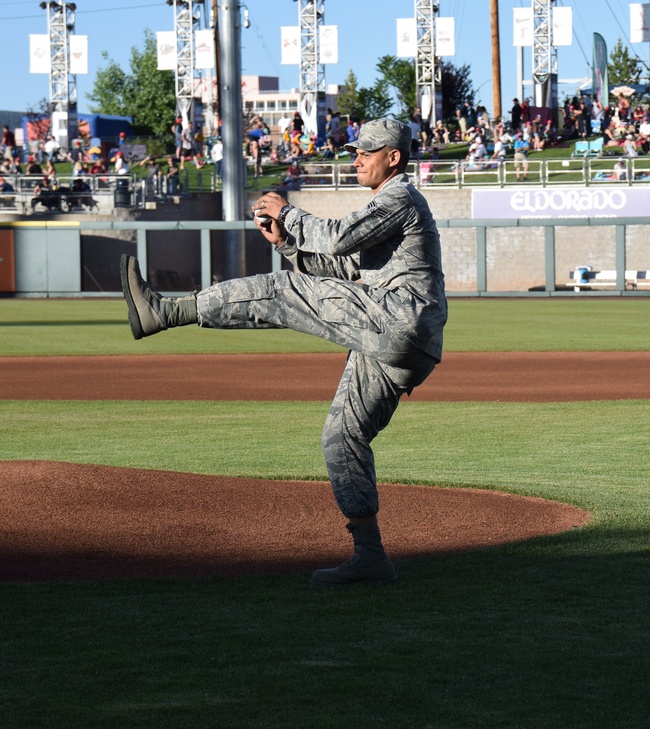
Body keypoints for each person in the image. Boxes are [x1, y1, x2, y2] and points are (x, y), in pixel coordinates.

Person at [120, 118, 447, 587]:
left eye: (366, 152)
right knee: (342, 437)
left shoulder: (401, 197)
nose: (356, 159)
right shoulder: (387, 204)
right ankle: (370, 557)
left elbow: (335, 238)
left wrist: (288, 213)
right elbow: (338, 265)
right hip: (400, 339)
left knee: (281, 291)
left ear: (393, 158)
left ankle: (168, 312)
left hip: (398, 321)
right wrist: (287, 242)